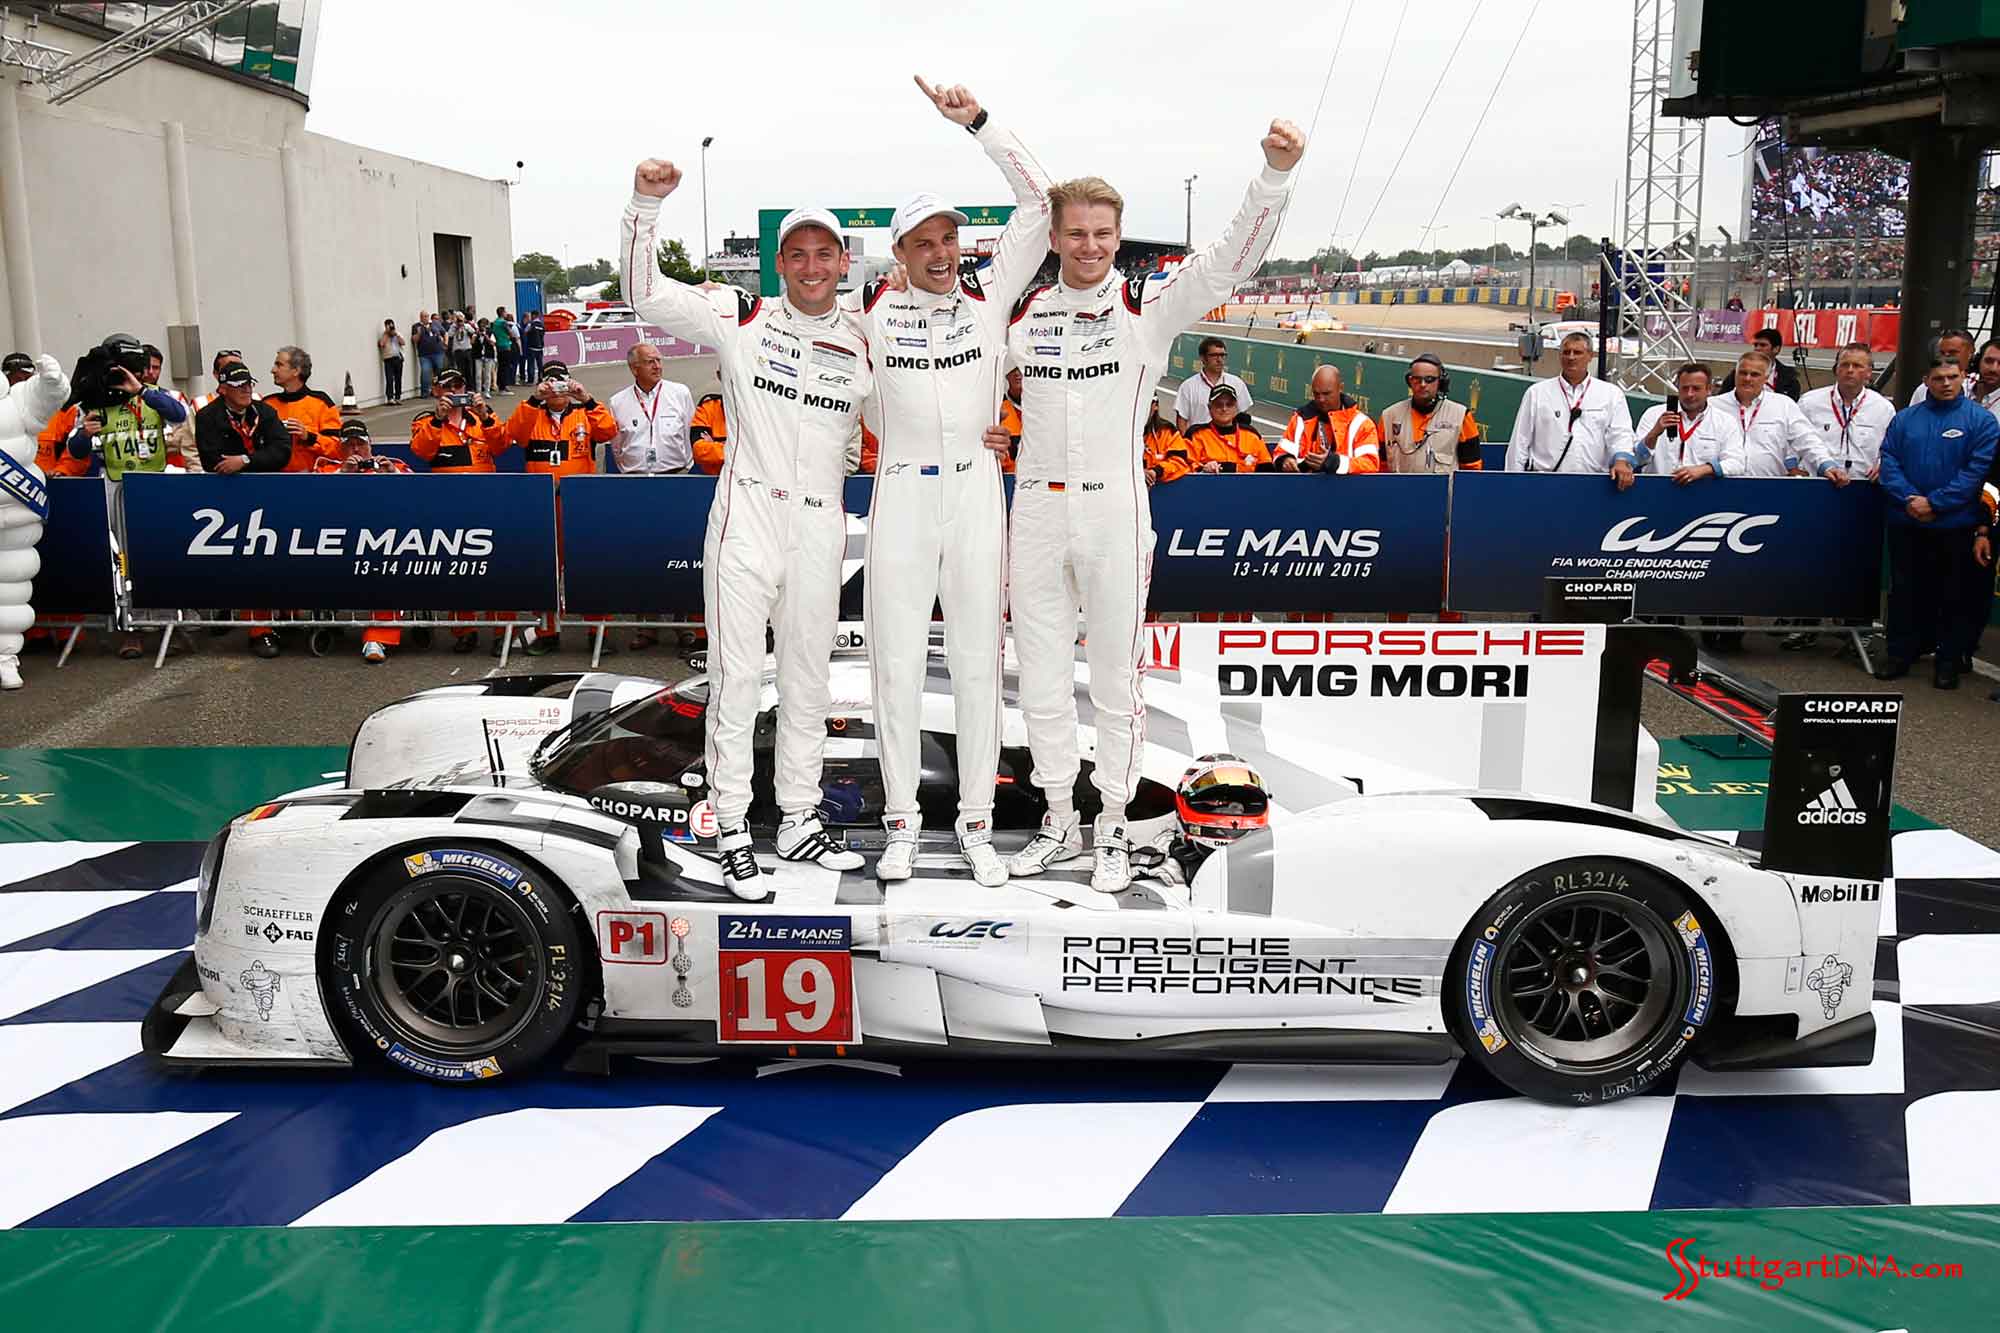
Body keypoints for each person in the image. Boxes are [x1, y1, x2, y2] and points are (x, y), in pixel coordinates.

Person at [997, 116, 1304, 896]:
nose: (1090, 245)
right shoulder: (1024, 316)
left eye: (1102, 233)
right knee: (1039, 677)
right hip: (1035, 508)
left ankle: (1112, 824)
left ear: (1118, 236)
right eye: (1076, 233)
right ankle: (1058, 818)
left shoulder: (1148, 305)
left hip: (1115, 508)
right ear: (1054, 239)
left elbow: (1230, 260)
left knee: (1114, 680)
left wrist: (1272, 176)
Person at [625, 157, 875, 888]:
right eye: (797, 254)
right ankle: (730, 825)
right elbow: (644, 291)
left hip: (821, 522)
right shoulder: (741, 315)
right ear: (779, 264)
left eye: (824, 253)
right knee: (737, 678)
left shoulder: (866, 335)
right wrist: (646, 204)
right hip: (747, 517)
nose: (811, 266)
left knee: (808, 682)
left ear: (843, 262)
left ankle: (798, 819)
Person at [841, 77, 1052, 887]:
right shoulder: (870, 313)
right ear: (898, 253)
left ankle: (976, 824)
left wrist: (980, 123)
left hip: (975, 489)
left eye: (949, 238)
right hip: (899, 491)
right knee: (894, 665)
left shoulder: (990, 296)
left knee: (976, 664)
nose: (940, 252)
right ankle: (900, 823)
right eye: (923, 242)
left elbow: (1040, 202)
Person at [1876, 356, 1998, 689]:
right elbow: (1889, 461)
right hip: (1907, 520)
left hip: (1956, 524)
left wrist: (1936, 504)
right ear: (1926, 380)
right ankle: (1899, 654)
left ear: (1963, 377)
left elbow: (1977, 472)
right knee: (1905, 593)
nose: (1946, 383)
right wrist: (1910, 499)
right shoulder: (1905, 419)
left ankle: (1948, 661)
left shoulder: (1982, 421)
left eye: (1952, 377)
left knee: (1954, 597)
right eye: (1939, 378)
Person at [502, 360, 617, 656]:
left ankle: (598, 631)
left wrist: (587, 398)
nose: (557, 389)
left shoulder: (584, 412)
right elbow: (513, 434)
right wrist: (533, 399)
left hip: (579, 502)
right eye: (550, 382)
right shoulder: (532, 414)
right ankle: (547, 631)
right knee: (545, 569)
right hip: (542, 504)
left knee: (589, 567)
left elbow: (609, 431)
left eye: (561, 381)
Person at [410, 367, 509, 654]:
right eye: (448, 386)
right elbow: (421, 451)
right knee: (457, 568)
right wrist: (438, 419)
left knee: (495, 569)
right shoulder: (425, 421)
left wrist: (486, 415)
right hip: (448, 505)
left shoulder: (482, 417)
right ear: (437, 391)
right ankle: (464, 630)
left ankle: (501, 631)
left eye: (459, 385)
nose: (454, 391)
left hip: (487, 502)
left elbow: (502, 445)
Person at [312, 420, 412, 663]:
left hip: (383, 542)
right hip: (337, 543)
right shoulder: (328, 468)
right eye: (349, 445)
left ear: (370, 444)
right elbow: (312, 496)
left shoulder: (392, 465)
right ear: (340, 448)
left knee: (390, 568)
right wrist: (344, 474)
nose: (356, 449)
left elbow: (421, 492)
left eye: (360, 444)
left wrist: (393, 474)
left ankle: (376, 638)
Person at [0, 353, 67, 691]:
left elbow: (44, 398)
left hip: (15, 514)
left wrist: (52, 382)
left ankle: (5, 658)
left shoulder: (14, 399)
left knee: (10, 590)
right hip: (17, 510)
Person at [1505, 332, 1638, 487]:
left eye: (1578, 352)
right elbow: (1520, 442)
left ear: (1590, 356)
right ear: (1560, 356)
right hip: (1544, 484)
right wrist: (1512, 483)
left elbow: (1621, 434)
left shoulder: (1611, 394)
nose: (1571, 357)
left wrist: (1621, 460)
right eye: (1566, 352)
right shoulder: (1537, 393)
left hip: (1595, 484)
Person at [1715, 350, 1845, 481]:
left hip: (1770, 485)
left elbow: (1807, 440)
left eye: (1755, 374)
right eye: (1743, 373)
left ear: (1766, 378)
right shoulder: (1714, 405)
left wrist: (1826, 465)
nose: (1747, 378)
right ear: (1735, 373)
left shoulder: (1783, 405)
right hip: (1723, 483)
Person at [1633, 362, 1745, 481]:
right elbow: (1636, 460)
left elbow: (1737, 463)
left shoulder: (1724, 421)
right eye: (1685, 388)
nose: (1690, 394)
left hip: (1702, 489)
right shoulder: (1653, 414)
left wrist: (1705, 469)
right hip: (1658, 488)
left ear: (1709, 389)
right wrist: (1653, 434)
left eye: (1696, 389)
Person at [1799, 343, 1893, 480]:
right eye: (1844, 365)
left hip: (1863, 483)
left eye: (1857, 366)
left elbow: (1891, 449)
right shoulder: (1809, 402)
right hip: (1817, 482)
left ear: (1869, 372)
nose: (1850, 370)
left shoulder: (1883, 408)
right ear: (1836, 369)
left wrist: (1883, 464)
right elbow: (1794, 442)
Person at [1379, 354, 1482, 474]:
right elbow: (1381, 466)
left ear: (1441, 382)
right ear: (1409, 381)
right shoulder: (1389, 416)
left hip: (1443, 487)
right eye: (1417, 379)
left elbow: (1472, 470)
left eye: (1429, 379)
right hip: (1398, 486)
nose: (1423, 384)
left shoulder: (1461, 416)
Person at [608, 343, 694, 475]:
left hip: (676, 476)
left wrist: (687, 467)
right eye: (650, 362)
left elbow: (689, 435)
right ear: (634, 369)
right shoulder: (617, 402)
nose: (657, 366)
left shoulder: (680, 393)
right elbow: (616, 446)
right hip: (634, 478)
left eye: (658, 360)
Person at [1278, 365, 1380, 473]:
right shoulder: (1300, 419)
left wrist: (1335, 463)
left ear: (1340, 388)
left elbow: (1370, 464)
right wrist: (1285, 460)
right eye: (1316, 394)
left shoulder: (1362, 424)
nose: (1321, 399)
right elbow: (1281, 452)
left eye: (1326, 394)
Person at [267, 346, 343, 472]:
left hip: (312, 478)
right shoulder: (268, 404)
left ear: (296, 371)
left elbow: (338, 449)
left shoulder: (321, 403)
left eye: (279, 365)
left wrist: (308, 437)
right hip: (272, 478)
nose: (273, 370)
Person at [1184, 384, 1274, 471]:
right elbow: (1185, 467)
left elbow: (1267, 470)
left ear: (1236, 407)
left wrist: (1231, 468)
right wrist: (1203, 469)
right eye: (1219, 405)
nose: (1224, 409)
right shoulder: (1196, 435)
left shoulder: (1252, 436)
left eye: (1229, 404)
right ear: (1209, 407)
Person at [1173, 336, 1253, 432]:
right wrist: (1187, 441)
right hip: (1199, 440)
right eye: (1214, 355)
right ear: (1203, 358)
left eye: (1222, 355)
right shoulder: (1188, 386)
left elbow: (1243, 418)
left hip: (1229, 440)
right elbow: (1181, 421)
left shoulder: (1237, 383)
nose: (1219, 360)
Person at [1718, 327, 1803, 400]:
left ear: (1776, 349)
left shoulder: (1789, 377)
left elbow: (1792, 403)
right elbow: (1723, 396)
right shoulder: (1739, 372)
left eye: (1763, 345)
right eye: (1756, 345)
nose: (1757, 349)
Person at [1908, 329, 1979, 406]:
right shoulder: (1925, 388)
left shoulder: (1980, 385)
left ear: (1970, 353)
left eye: (1952, 352)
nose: (1946, 356)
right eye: (1942, 353)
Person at [1142, 400, 1191, 484]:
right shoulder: (1119, 432)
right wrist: (1138, 473)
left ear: (1155, 406)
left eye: (1144, 404)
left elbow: (1179, 463)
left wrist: (1155, 472)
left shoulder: (1168, 432)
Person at [690, 389, 727, 474]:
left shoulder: (755, 408)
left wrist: (714, 444)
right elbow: (699, 450)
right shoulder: (708, 407)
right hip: (711, 477)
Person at [997, 366, 1023, 472]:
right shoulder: (997, 408)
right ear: (1007, 376)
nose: (1017, 374)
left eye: (1021, 369)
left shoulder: (1045, 407)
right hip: (1008, 476)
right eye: (1012, 369)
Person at [413, 313, 446, 396]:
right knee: (425, 372)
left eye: (427, 316)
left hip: (438, 352)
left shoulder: (435, 324)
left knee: (439, 371)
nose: (426, 318)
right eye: (424, 316)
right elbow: (414, 340)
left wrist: (445, 343)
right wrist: (419, 333)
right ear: (420, 317)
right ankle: (425, 392)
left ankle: (439, 390)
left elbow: (445, 333)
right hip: (424, 355)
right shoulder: (416, 326)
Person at [378, 319, 406, 404]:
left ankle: (398, 397)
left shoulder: (397, 334)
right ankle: (390, 398)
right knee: (389, 379)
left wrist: (396, 334)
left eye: (392, 325)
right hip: (388, 359)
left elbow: (403, 343)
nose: (391, 328)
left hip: (398, 358)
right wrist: (387, 333)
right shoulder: (384, 335)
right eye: (389, 326)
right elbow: (381, 344)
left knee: (398, 379)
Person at [448, 312, 477, 386]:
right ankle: (461, 386)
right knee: (460, 370)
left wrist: (464, 326)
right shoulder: (453, 327)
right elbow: (450, 335)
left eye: (461, 319)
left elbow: (473, 332)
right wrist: (456, 327)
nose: (460, 321)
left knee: (469, 370)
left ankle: (470, 386)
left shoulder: (467, 326)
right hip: (458, 351)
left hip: (467, 349)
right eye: (458, 319)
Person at [492, 307, 517, 391]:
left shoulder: (495, 322)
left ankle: (500, 385)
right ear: (502, 313)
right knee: (506, 367)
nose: (506, 313)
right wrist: (510, 334)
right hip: (505, 345)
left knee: (501, 366)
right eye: (505, 312)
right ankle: (504, 386)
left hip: (499, 345)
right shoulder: (503, 322)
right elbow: (511, 333)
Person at [520, 311, 546, 386]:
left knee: (531, 364)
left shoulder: (531, 324)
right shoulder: (542, 325)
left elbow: (525, 332)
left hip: (532, 347)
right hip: (540, 347)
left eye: (531, 315)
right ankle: (540, 379)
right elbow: (543, 334)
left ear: (534, 315)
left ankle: (530, 381)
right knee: (540, 364)